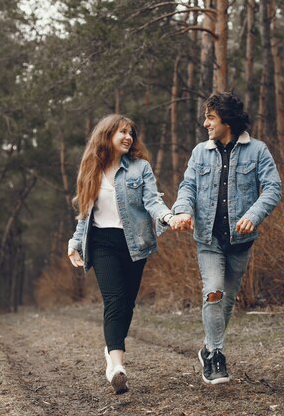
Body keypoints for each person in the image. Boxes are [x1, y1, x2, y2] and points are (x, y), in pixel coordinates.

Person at [169, 92, 282, 384]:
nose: (205, 123)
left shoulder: (258, 151)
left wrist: (253, 215)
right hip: (208, 238)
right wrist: (182, 211)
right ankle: (217, 356)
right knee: (214, 291)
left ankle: (208, 348)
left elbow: (272, 189)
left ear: (226, 121)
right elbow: (187, 187)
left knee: (227, 301)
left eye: (211, 117)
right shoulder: (199, 153)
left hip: (240, 241)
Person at [67, 114, 173, 394]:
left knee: (127, 303)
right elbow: (85, 214)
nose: (128, 137)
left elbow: (153, 200)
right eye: (122, 132)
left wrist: (167, 216)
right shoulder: (91, 168)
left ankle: (110, 346)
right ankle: (117, 365)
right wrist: (75, 242)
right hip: (102, 242)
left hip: (135, 242)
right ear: (107, 135)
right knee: (114, 299)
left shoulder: (141, 168)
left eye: (131, 133)